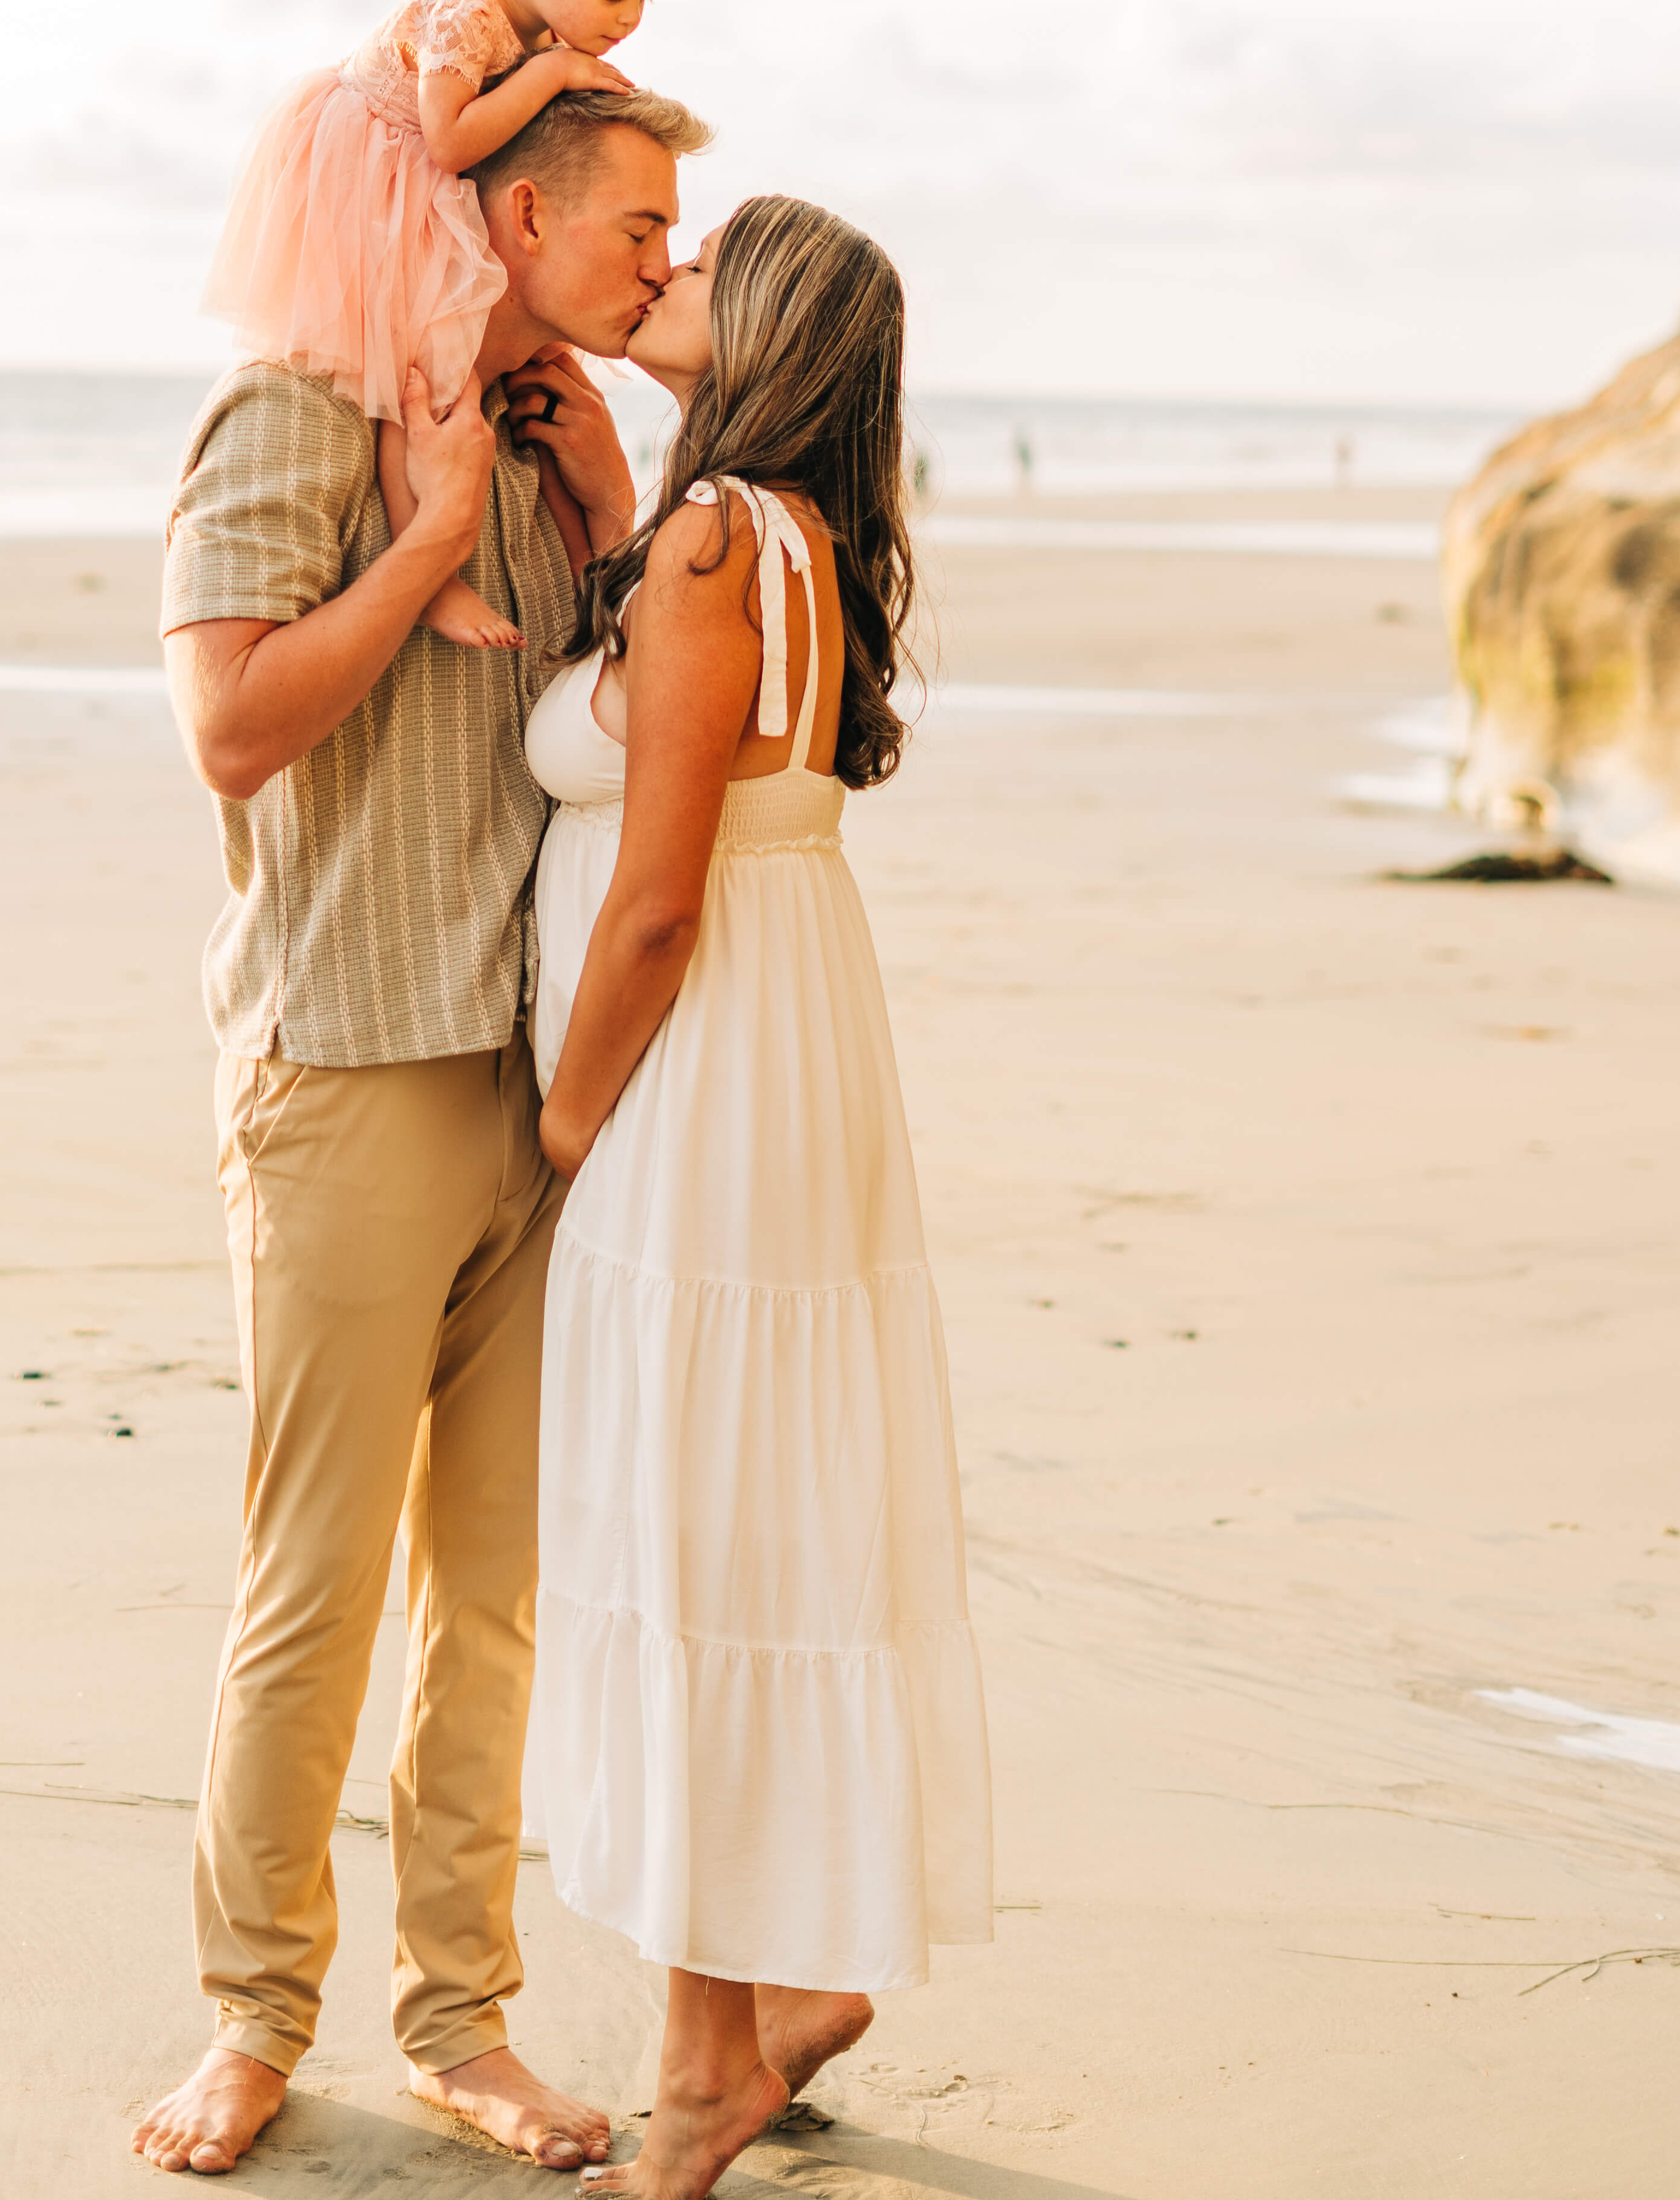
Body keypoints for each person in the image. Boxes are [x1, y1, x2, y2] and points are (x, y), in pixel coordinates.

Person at [131, 81, 713, 2181]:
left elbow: (621, 722)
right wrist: (427, 541)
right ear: (517, 209)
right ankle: (251, 2019)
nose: (663, 254)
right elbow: (230, 724)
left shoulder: (561, 456)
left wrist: (600, 479)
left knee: (496, 1596)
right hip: (347, 1073)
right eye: (638, 220)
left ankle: (463, 2021)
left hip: (537, 1094)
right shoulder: (291, 415)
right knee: (315, 1583)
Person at [523, 198, 994, 2200]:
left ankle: (704, 2057)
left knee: (691, 1540)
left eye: (700, 261)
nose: (666, 277)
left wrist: (563, 1128)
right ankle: (749, 2012)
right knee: (740, 1533)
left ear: (765, 324)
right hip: (793, 1050)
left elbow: (652, 903)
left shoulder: (720, 547)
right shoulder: (778, 537)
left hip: (701, 1073)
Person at [199, 0, 683, 652]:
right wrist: (558, 72)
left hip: (425, 180)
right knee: (409, 375)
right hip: (377, 176)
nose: (631, 17)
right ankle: (429, 569)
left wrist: (610, 506)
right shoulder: (469, 15)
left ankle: (500, 559)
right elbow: (453, 141)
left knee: (445, 360)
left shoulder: (531, 27)